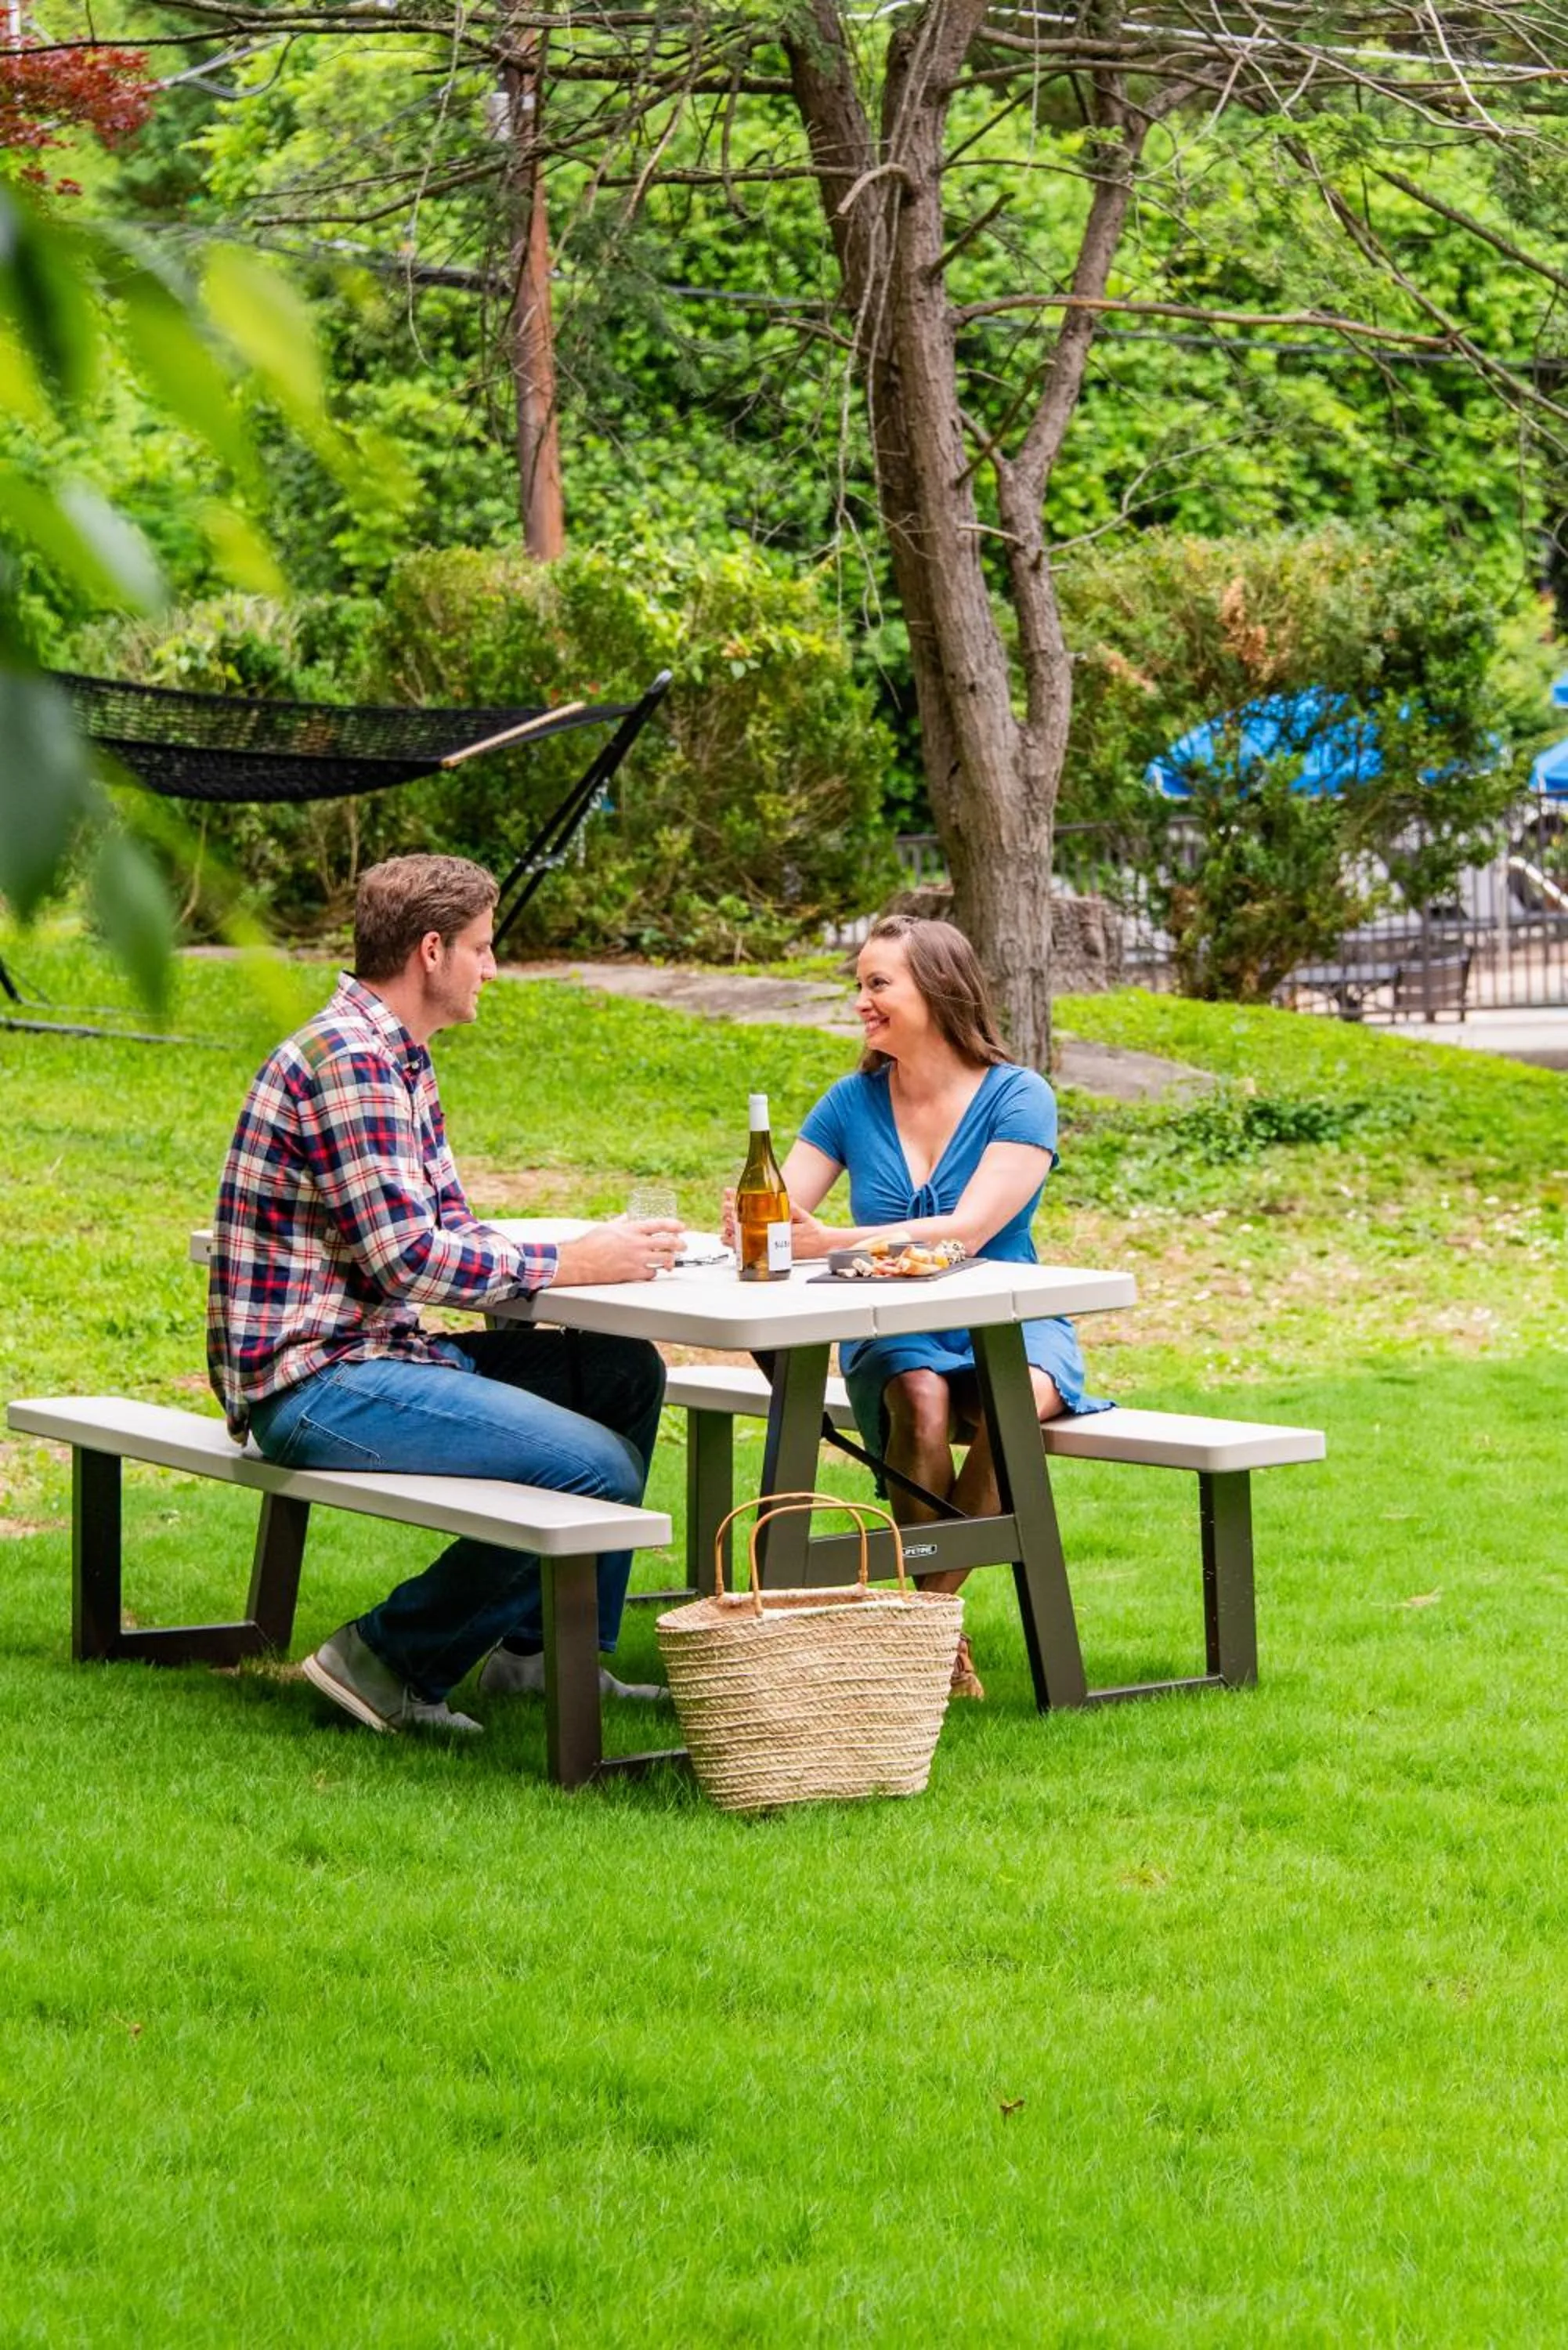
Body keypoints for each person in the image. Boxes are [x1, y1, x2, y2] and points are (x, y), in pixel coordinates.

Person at [207, 853, 684, 1737]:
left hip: (382, 1353)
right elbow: (409, 1263)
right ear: (432, 951)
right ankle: (384, 1658)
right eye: (482, 947)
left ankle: (535, 1658)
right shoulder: (350, 1060)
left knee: (619, 1371)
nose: (492, 968)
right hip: (315, 1381)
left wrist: (584, 1251)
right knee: (599, 1471)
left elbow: (451, 1226)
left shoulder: (401, 1056)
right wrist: (568, 1266)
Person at [753, 913, 1109, 1701]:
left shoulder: (1020, 1096)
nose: (860, 1003)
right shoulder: (850, 1102)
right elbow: (773, 1214)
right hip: (893, 1323)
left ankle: (925, 1621)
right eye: (858, 986)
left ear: (939, 991)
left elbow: (969, 1230)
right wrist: (757, 1212)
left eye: (878, 984)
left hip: (1011, 1315)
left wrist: (830, 1240)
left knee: (1020, 1395)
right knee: (918, 1398)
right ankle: (934, 1636)